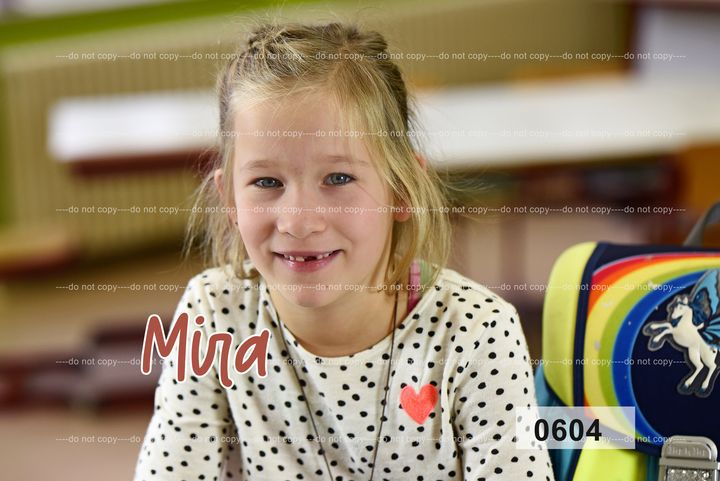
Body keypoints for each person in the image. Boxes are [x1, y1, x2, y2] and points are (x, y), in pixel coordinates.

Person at [134, 21, 554, 481]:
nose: (298, 221)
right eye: (267, 182)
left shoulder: (478, 331)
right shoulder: (213, 312)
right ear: (230, 200)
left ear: (401, 191)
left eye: (338, 178)